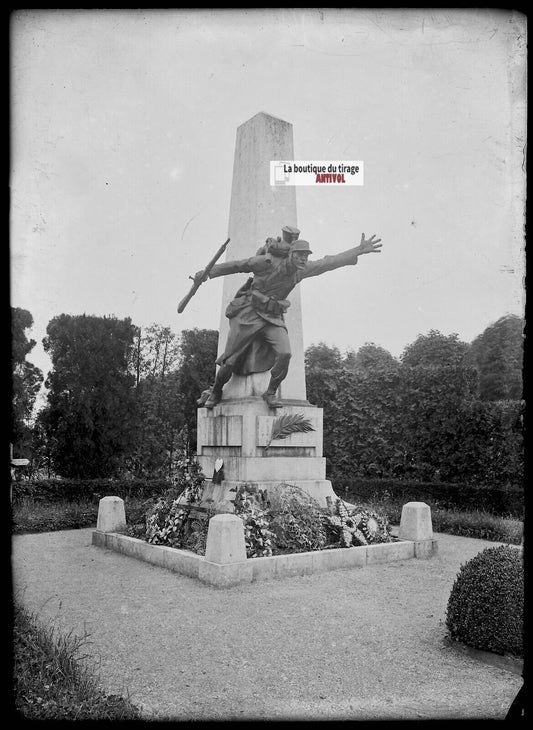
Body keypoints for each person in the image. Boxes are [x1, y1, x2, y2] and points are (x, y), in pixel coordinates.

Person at [196, 231, 382, 409]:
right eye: (300, 255)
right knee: (230, 361)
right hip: (249, 313)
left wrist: (357, 250)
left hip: (272, 318)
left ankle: (270, 392)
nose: (303, 259)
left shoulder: (301, 271)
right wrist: (208, 272)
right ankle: (216, 391)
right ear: (291, 254)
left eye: (306, 256)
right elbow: (237, 265)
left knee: (285, 354)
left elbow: (328, 262)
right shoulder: (266, 262)